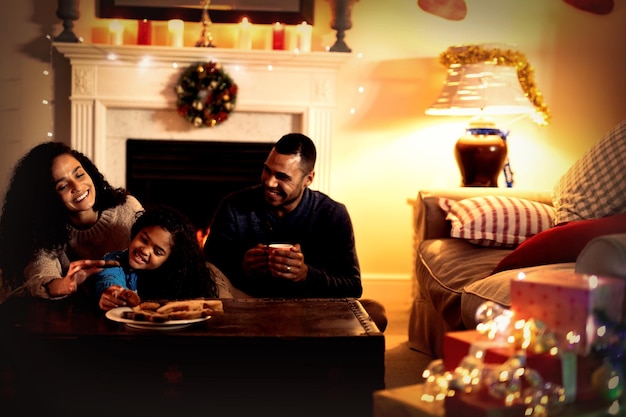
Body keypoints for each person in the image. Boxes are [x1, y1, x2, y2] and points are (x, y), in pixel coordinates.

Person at [203, 133, 387, 331]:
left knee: (374, 313)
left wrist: (306, 275)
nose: (269, 182)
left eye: (282, 177)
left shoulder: (332, 213)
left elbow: (352, 286)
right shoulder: (234, 205)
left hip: (309, 309)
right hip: (248, 304)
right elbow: (208, 269)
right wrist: (243, 266)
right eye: (267, 170)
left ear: (308, 178)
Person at [0, 141, 143, 303]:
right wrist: (65, 284)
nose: (77, 186)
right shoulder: (42, 231)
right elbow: (40, 276)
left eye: (79, 174)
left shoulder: (128, 208)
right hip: (74, 319)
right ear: (47, 197)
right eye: (62, 186)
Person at [94, 205, 225, 311]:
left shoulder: (178, 277)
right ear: (136, 232)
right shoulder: (115, 260)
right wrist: (114, 291)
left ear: (169, 259)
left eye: (157, 251)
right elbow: (110, 276)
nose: (145, 250)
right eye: (144, 239)